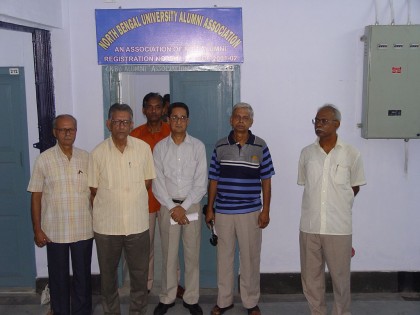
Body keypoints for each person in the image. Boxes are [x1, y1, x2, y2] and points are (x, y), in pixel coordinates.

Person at [206, 102, 275, 315]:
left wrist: (266, 211)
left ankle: (250, 302)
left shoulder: (260, 146)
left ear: (251, 121)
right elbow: (214, 180)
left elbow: (266, 181)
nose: (241, 120)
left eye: (245, 117)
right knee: (224, 259)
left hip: (251, 212)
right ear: (231, 120)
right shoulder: (220, 146)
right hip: (224, 212)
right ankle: (224, 301)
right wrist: (210, 209)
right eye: (237, 116)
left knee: (250, 258)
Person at [297, 104, 366, 315]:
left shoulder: (351, 154)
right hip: (310, 225)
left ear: (337, 124)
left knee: (340, 279)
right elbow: (305, 184)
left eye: (324, 121)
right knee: (311, 278)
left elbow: (354, 186)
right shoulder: (307, 153)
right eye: (316, 120)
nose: (319, 124)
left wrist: (337, 202)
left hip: (338, 227)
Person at [88, 103, 155, 315]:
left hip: (137, 224)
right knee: (108, 278)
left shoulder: (143, 149)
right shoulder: (97, 153)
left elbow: (147, 182)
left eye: (125, 122)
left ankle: (138, 312)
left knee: (139, 275)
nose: (121, 126)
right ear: (109, 124)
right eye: (116, 121)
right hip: (107, 227)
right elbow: (93, 188)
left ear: (132, 124)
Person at [28, 114, 93, 315]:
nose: (67, 133)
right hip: (55, 231)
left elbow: (94, 192)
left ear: (76, 131)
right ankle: (60, 311)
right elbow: (36, 197)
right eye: (63, 129)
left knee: (83, 278)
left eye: (71, 129)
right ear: (55, 132)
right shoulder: (44, 160)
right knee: (58, 279)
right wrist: (37, 229)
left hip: (83, 229)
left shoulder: (86, 157)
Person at [152, 102, 207, 315]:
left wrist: (182, 208)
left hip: (191, 204)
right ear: (168, 120)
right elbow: (157, 182)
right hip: (167, 206)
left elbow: (201, 182)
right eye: (174, 117)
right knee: (169, 254)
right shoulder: (160, 148)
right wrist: (172, 207)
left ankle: (191, 298)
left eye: (183, 117)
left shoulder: (198, 146)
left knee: (192, 254)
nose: (178, 121)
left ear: (188, 121)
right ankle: (167, 297)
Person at [130, 92, 171, 293]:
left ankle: (173, 285)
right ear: (144, 110)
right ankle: (145, 285)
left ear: (164, 109)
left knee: (170, 246)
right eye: (150, 107)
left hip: (169, 200)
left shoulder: (172, 132)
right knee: (145, 247)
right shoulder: (135, 136)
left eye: (158, 107)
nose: (154, 111)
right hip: (143, 200)